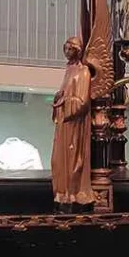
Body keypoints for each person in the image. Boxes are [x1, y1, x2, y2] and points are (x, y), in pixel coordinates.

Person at [50, 36, 94, 210]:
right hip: (64, 122)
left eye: (70, 49)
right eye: (65, 49)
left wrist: (65, 102)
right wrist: (58, 98)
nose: (67, 53)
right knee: (57, 160)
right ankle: (62, 192)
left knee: (72, 159)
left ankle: (72, 192)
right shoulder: (69, 70)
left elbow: (82, 101)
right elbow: (65, 94)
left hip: (74, 124)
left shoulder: (83, 72)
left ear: (78, 51)